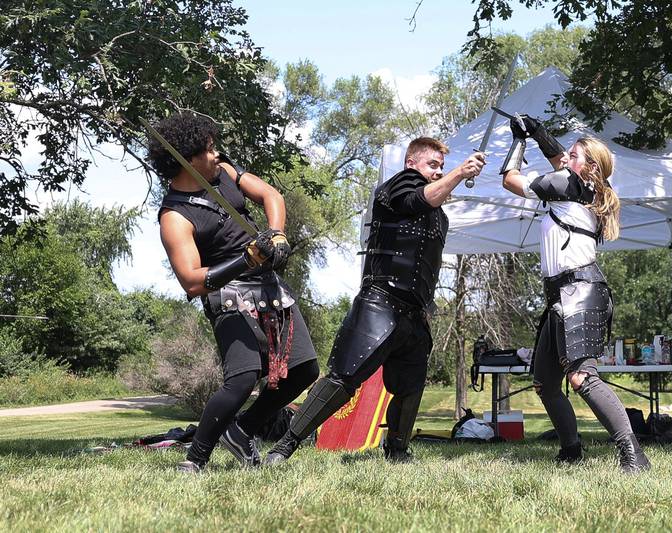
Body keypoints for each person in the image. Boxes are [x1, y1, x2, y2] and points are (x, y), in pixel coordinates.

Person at [264, 137, 485, 464]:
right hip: (380, 302)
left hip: (414, 312)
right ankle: (284, 446)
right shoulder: (399, 185)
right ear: (412, 163)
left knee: (410, 388)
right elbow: (416, 201)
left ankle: (397, 450)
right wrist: (458, 172)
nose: (439, 172)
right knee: (342, 379)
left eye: (441, 166)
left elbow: (429, 208)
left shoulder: (439, 214)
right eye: (433, 165)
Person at [148, 112, 319, 473]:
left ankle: (243, 430)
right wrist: (246, 259)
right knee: (242, 378)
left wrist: (276, 234)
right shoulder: (174, 217)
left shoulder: (223, 171)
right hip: (227, 295)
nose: (216, 154)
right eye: (208, 150)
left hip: (270, 287)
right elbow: (191, 281)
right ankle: (195, 459)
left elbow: (270, 194)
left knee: (305, 371)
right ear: (186, 158)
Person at [499, 116, 651, 473]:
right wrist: (537, 132)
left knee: (582, 377)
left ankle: (634, 455)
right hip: (562, 294)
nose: (565, 158)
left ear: (590, 166)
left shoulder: (570, 183)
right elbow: (559, 160)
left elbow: (509, 179)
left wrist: (520, 141)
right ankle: (571, 450)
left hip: (579, 291)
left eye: (573, 154)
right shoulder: (585, 186)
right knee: (545, 383)